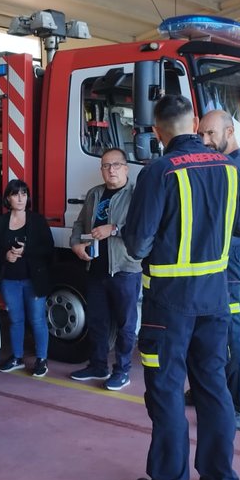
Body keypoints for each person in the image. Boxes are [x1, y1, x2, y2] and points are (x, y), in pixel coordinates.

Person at [123, 95, 240, 480]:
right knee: (213, 388)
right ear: (194, 123)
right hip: (216, 297)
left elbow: (138, 241)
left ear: (159, 132)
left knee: (166, 391)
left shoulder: (159, 171)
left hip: (169, 303)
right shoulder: (232, 170)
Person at [196, 109, 240, 431]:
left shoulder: (238, 166)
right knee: (211, 327)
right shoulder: (226, 163)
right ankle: (205, 389)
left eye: (210, 134)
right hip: (217, 257)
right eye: (201, 135)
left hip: (230, 259)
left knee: (233, 332)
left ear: (229, 132)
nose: (205, 141)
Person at [68, 148, 143, 391]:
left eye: (116, 165)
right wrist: (76, 244)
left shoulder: (137, 196)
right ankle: (98, 365)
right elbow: (80, 223)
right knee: (97, 321)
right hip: (96, 268)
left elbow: (142, 228)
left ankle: (121, 371)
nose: (111, 170)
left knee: (126, 324)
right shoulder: (94, 194)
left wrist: (114, 229)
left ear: (126, 168)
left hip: (124, 268)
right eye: (106, 165)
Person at [0, 179, 53, 378]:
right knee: (16, 320)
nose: (20, 198)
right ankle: (17, 357)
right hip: (9, 280)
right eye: (16, 194)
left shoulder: (37, 220)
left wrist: (26, 251)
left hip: (33, 280)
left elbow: (48, 249)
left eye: (24, 194)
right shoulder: (0, 222)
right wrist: (5, 256)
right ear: (8, 198)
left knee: (37, 319)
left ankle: (41, 359)